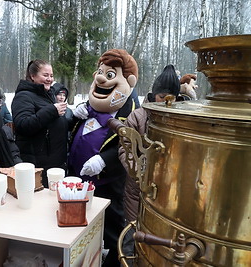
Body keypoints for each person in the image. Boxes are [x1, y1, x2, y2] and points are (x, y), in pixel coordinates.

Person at [68, 49, 137, 267]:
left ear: (129, 81)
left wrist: (104, 160)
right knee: (81, 225)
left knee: (112, 226)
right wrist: (73, 116)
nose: (100, 78)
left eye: (109, 75)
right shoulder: (89, 108)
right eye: (100, 72)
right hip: (78, 183)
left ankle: (115, 262)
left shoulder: (131, 114)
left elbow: (130, 147)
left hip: (107, 184)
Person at [118, 64, 181, 266]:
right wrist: (141, 173)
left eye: (172, 97)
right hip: (137, 189)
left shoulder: (182, 120)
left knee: (160, 241)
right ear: (154, 95)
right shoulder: (137, 117)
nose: (167, 101)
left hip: (168, 193)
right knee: (132, 234)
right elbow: (124, 150)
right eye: (163, 96)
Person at [11, 59, 68, 187]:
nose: (49, 79)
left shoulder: (48, 95)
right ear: (32, 76)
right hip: (38, 163)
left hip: (55, 162)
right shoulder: (23, 96)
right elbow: (23, 124)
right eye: (45, 75)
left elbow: (55, 123)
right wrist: (52, 110)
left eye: (51, 76)